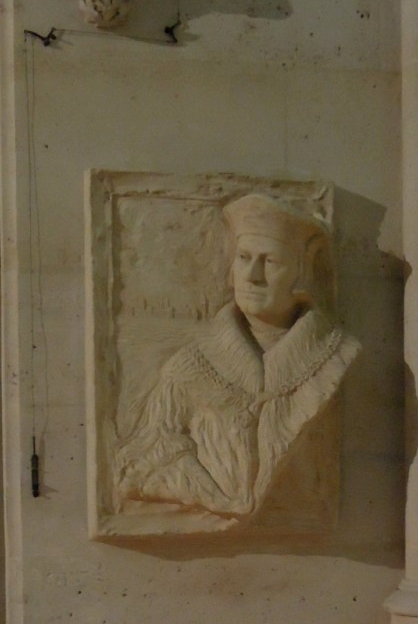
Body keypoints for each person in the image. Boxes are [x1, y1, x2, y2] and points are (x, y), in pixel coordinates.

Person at [115, 192, 360, 524]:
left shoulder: (335, 354)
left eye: (270, 261)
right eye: (244, 258)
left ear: (300, 274)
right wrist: (214, 494)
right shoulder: (190, 366)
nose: (253, 275)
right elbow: (145, 455)